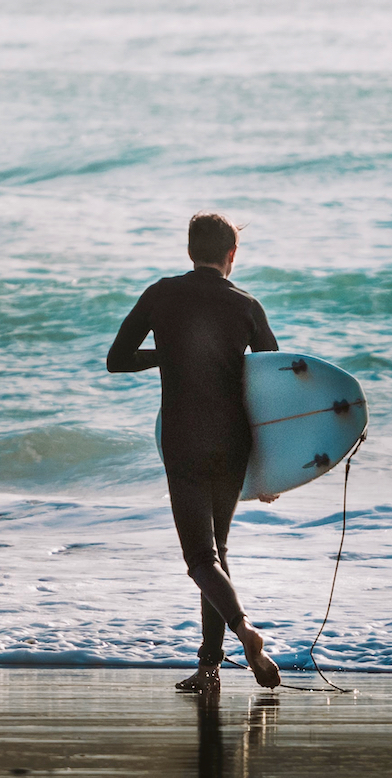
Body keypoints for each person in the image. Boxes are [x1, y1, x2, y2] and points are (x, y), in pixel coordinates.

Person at [106, 212, 282, 694]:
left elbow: (116, 362)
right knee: (218, 552)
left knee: (199, 558)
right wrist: (272, 471)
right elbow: (272, 386)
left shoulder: (160, 294)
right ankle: (209, 667)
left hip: (183, 438)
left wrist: (172, 353)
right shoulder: (247, 303)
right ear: (232, 255)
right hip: (233, 442)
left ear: (189, 251)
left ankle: (244, 628)